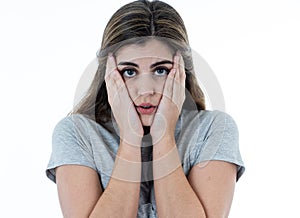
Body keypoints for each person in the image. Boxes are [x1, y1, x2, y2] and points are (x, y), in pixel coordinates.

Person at [46, 0, 245, 217]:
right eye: (129, 72)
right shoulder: (77, 133)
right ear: (108, 74)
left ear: (181, 71)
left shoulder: (213, 129)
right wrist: (131, 138)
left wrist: (163, 135)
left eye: (160, 70)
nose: (146, 91)